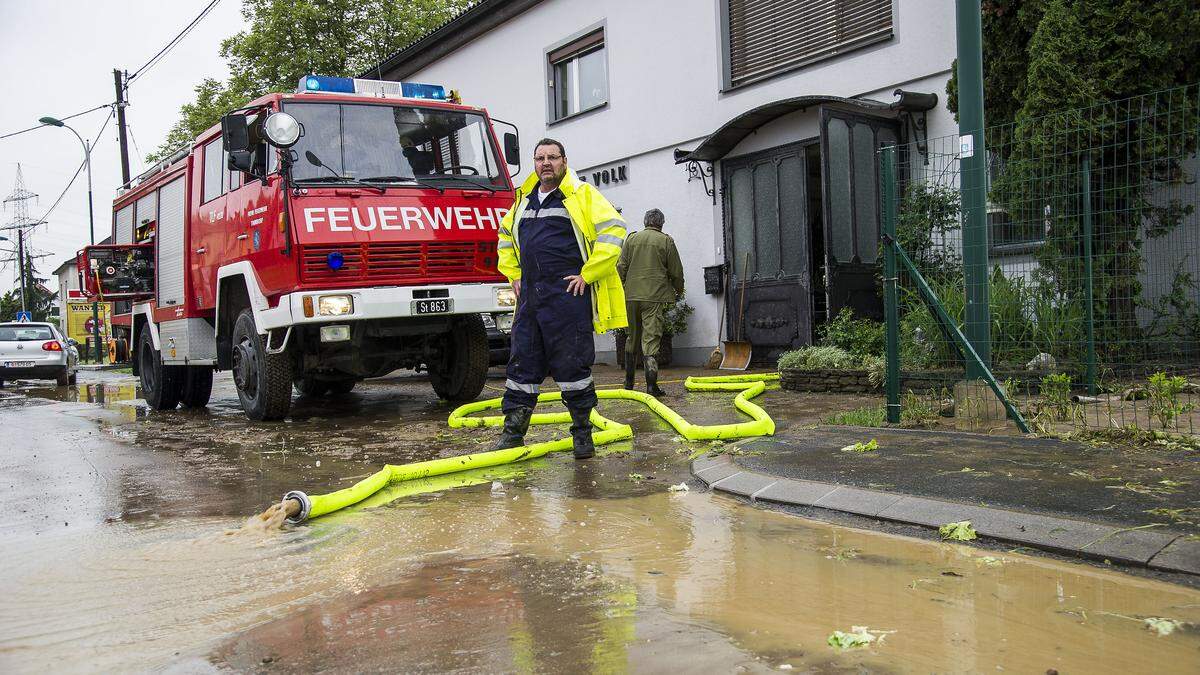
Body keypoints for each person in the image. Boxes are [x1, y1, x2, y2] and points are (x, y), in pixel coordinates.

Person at [493, 139, 628, 459]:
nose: (546, 163)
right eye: (539, 158)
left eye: (552, 157)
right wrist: (513, 274)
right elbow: (504, 238)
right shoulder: (523, 200)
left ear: (564, 161)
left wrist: (588, 274)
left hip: (567, 296)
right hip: (530, 299)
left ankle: (582, 434)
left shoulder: (581, 194)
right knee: (522, 364)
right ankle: (513, 433)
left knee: (572, 365)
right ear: (534, 163)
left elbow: (614, 231)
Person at [617, 208, 684, 396]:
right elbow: (676, 272)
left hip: (631, 296)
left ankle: (628, 383)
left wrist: (624, 286)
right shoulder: (666, 241)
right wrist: (678, 290)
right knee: (651, 339)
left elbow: (621, 266)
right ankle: (651, 386)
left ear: (645, 222)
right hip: (653, 297)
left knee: (631, 337)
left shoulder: (631, 239)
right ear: (661, 223)